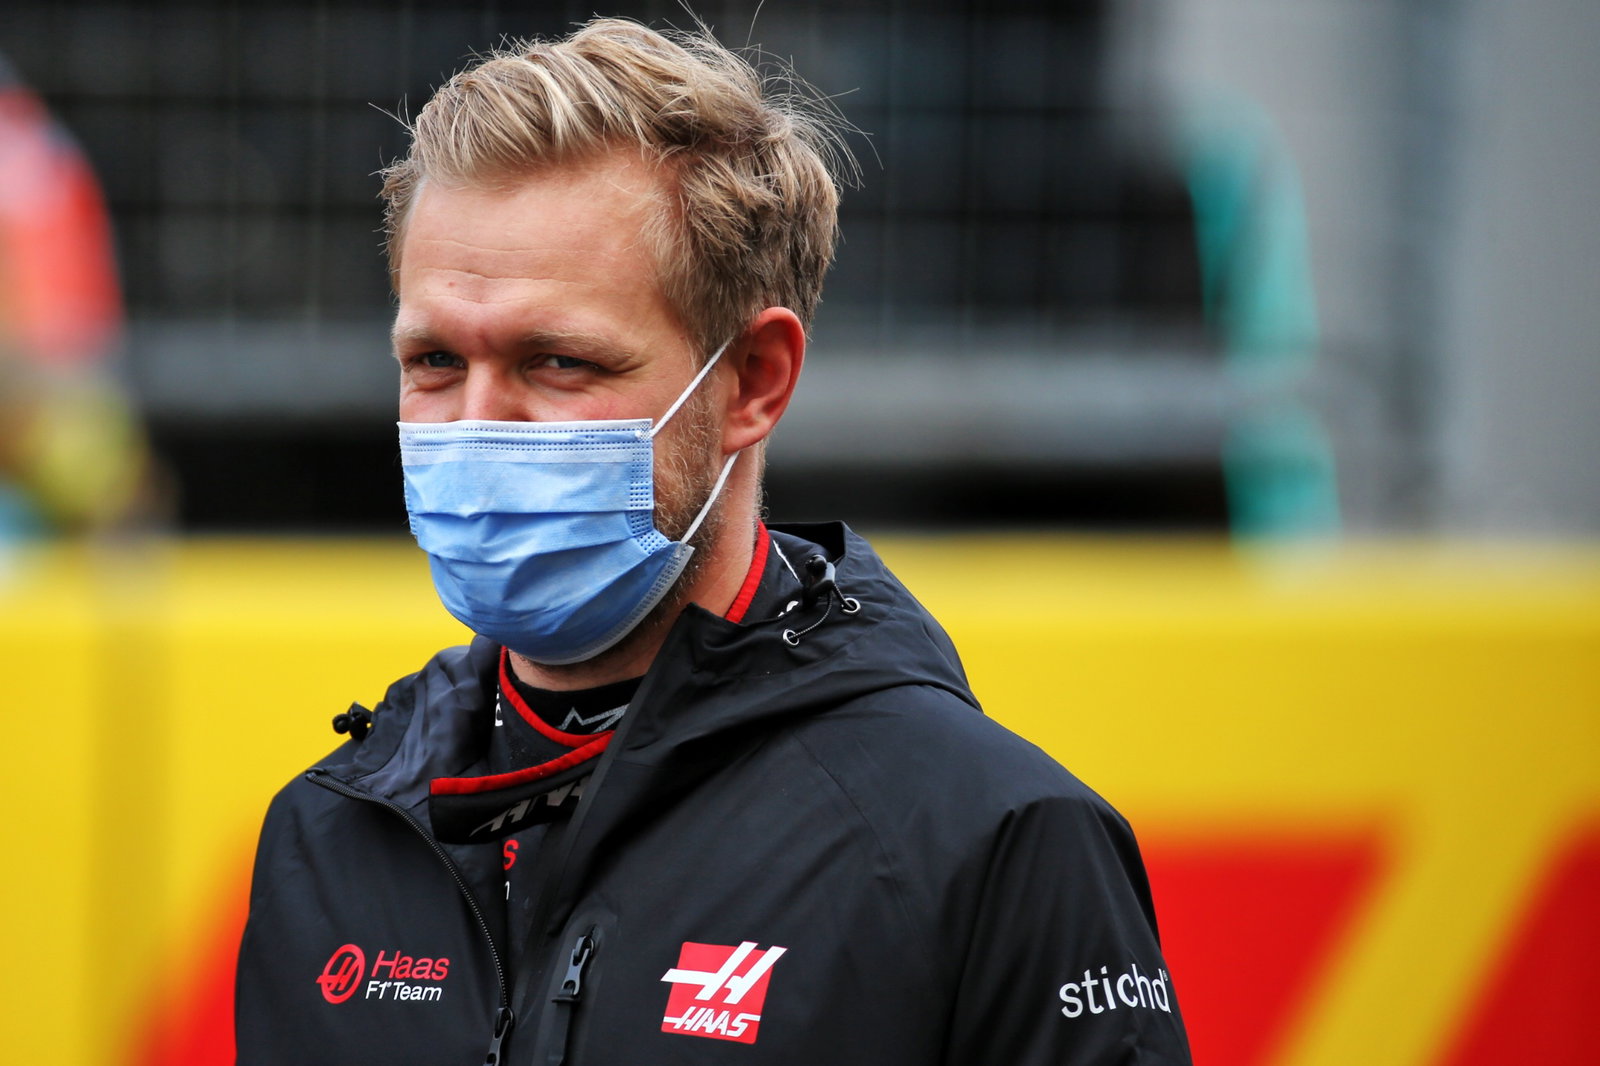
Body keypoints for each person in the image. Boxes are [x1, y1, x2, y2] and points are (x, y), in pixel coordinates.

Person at [235, 18, 1192, 1065]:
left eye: (557, 362)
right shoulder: (331, 835)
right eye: (431, 361)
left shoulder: (988, 841)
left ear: (752, 382)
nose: (475, 423)